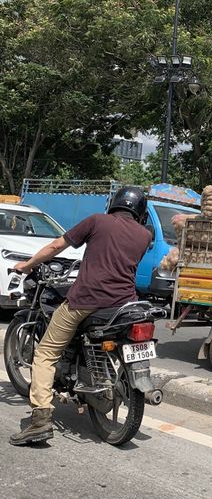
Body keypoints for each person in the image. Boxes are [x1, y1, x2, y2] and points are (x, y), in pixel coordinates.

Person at [10, 186, 152, 447]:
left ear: (114, 204)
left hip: (86, 300)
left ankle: (40, 420)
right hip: (124, 304)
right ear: (141, 213)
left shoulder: (97, 221)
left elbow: (56, 245)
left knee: (45, 352)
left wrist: (26, 265)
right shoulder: (145, 235)